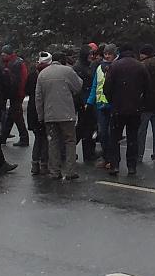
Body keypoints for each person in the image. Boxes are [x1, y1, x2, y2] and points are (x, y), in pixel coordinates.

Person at [35, 50, 83, 180]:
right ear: (63, 61)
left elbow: (38, 98)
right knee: (70, 141)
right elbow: (78, 86)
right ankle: (70, 171)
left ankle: (54, 171)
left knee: (53, 142)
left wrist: (41, 115)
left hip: (49, 114)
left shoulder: (43, 74)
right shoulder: (67, 71)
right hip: (66, 113)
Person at [104, 44, 148, 175]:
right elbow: (147, 88)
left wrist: (113, 101)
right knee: (132, 138)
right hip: (135, 108)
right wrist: (140, 102)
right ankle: (131, 165)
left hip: (118, 108)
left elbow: (107, 88)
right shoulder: (140, 66)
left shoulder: (114, 66)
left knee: (115, 138)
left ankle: (115, 164)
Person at [75, 44, 102, 164]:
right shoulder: (81, 68)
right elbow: (79, 86)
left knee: (86, 127)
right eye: (90, 54)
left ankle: (88, 151)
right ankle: (88, 152)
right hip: (85, 101)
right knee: (85, 128)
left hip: (87, 100)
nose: (92, 56)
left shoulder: (86, 66)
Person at [91, 44, 118, 167]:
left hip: (112, 104)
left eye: (109, 54)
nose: (107, 56)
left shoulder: (117, 67)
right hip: (101, 104)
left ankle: (111, 159)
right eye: (105, 54)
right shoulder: (99, 68)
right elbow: (95, 86)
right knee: (102, 133)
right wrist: (90, 101)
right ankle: (106, 156)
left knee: (111, 133)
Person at [0, 46, 31, 147]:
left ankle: (24, 138)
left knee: (16, 116)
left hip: (16, 93)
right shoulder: (16, 62)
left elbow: (16, 81)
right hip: (18, 93)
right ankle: (4, 137)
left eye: (4, 54)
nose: (2, 55)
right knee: (13, 115)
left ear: (8, 54)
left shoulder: (13, 64)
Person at [27, 52, 49, 175]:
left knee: (38, 138)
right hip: (43, 109)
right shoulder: (46, 76)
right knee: (45, 138)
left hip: (32, 110)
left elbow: (27, 90)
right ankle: (44, 164)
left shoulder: (32, 76)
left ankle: (35, 163)